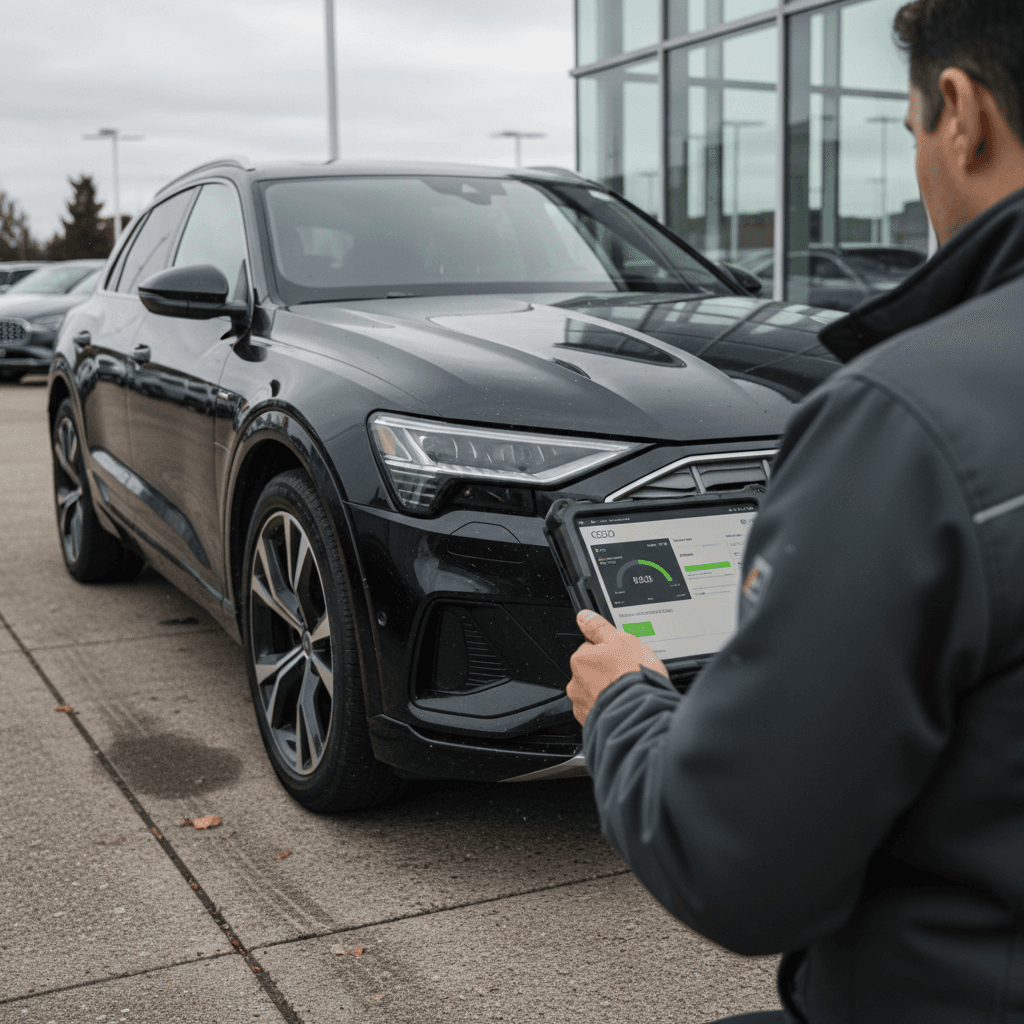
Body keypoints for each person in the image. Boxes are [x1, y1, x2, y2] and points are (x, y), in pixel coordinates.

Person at [564, 2, 1024, 1021]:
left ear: (960, 114)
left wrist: (628, 709)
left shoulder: (908, 419)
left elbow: (738, 865)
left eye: (908, 135)